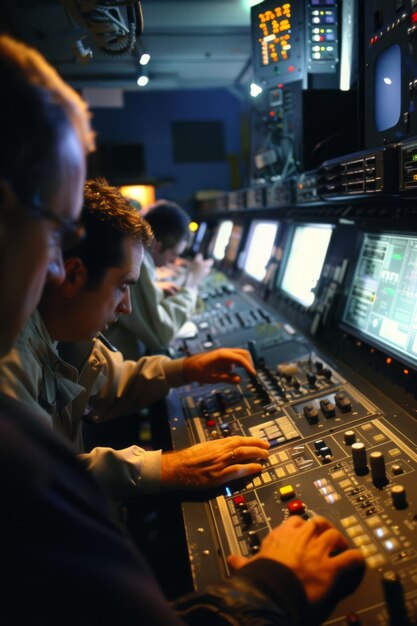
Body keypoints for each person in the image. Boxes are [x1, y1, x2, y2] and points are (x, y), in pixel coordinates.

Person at [0, 33, 365, 626]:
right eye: (55, 233)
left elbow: (99, 374)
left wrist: (181, 368)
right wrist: (270, 592)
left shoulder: (40, 336)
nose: (55, 267)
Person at [0, 177, 270, 502]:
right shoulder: (9, 359)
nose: (127, 306)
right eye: (122, 285)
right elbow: (40, 482)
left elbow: (109, 383)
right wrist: (166, 468)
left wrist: (184, 368)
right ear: (73, 276)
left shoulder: (58, 329)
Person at [106, 199, 213, 358]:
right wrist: (191, 285)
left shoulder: (139, 253)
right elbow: (160, 336)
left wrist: (156, 291)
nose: (173, 262)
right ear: (157, 246)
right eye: (173, 254)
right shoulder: (140, 261)